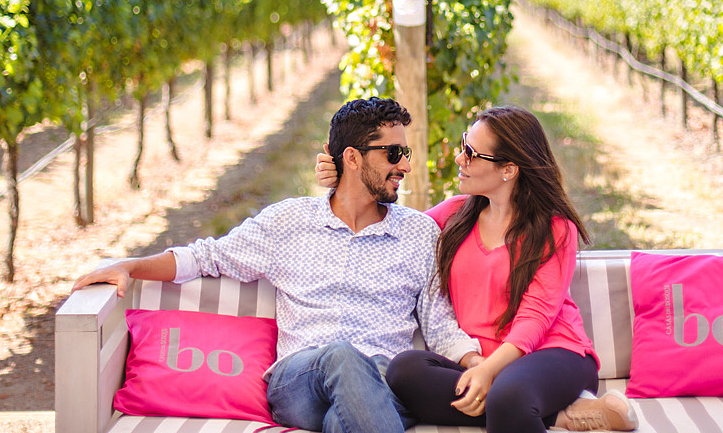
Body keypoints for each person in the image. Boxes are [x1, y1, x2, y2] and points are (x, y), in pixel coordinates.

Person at [72, 97, 481, 433]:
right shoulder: (288, 222)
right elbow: (207, 256)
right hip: (299, 382)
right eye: (394, 154)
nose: (406, 166)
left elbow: (438, 322)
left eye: (405, 152)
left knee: (344, 421)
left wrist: (479, 365)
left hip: (382, 385)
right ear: (352, 158)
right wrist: (129, 265)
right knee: (341, 355)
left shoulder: (419, 234)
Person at [314, 105, 636, 433]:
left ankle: (521, 403)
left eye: (471, 153)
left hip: (553, 353)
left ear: (508, 169)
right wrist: (343, 176)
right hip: (480, 359)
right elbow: (389, 222)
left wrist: (487, 373)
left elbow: (535, 318)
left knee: (508, 396)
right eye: (463, 145)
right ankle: (560, 415)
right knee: (403, 372)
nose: (459, 159)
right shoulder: (455, 215)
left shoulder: (555, 228)